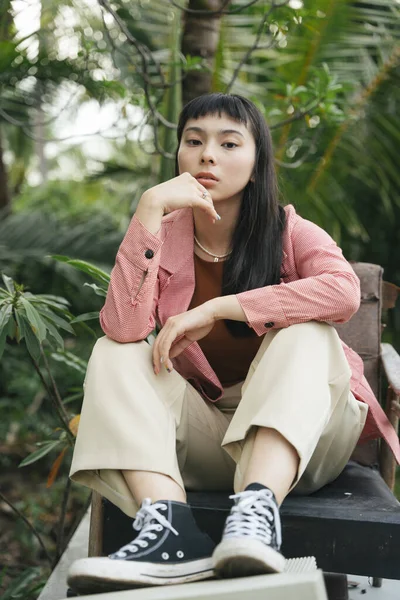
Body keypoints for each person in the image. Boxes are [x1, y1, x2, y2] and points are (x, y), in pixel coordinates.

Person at [67, 93, 400, 595]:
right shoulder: (163, 233)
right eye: (194, 141)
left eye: (228, 143)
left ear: (257, 159)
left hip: (304, 445)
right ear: (177, 153)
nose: (207, 155)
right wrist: (149, 211)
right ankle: (171, 532)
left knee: (306, 331)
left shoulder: (290, 231)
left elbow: (342, 291)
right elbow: (123, 327)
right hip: (206, 439)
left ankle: (256, 515)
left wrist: (218, 309)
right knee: (113, 349)